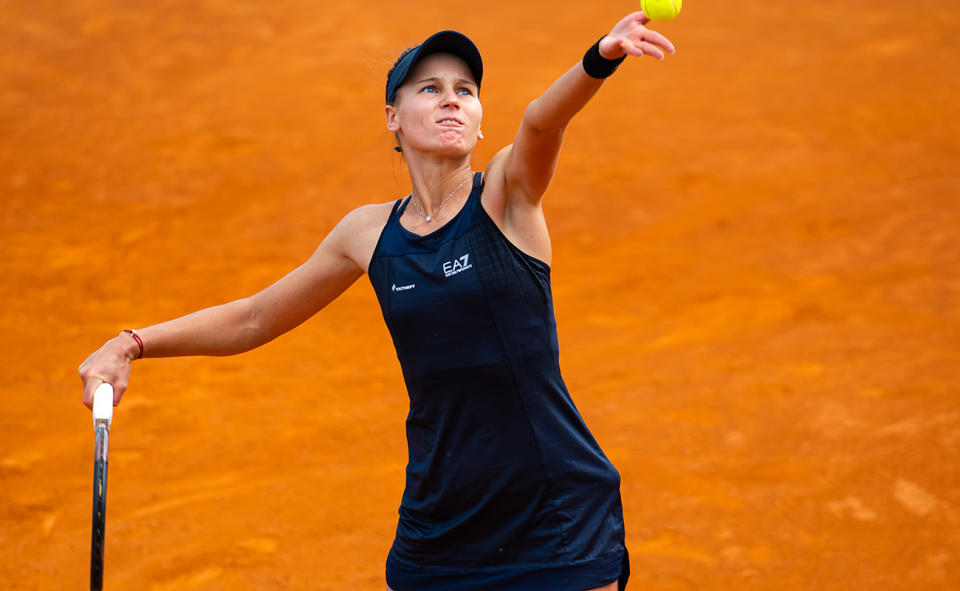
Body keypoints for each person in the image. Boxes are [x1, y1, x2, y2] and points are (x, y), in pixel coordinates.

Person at [79, 10, 675, 591]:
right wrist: (133, 343)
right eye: (431, 88)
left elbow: (542, 124)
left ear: (479, 119)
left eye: (465, 91)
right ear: (392, 116)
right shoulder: (368, 235)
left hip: (554, 515)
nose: (452, 99)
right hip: (442, 524)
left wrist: (602, 57)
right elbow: (256, 317)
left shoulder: (505, 195)